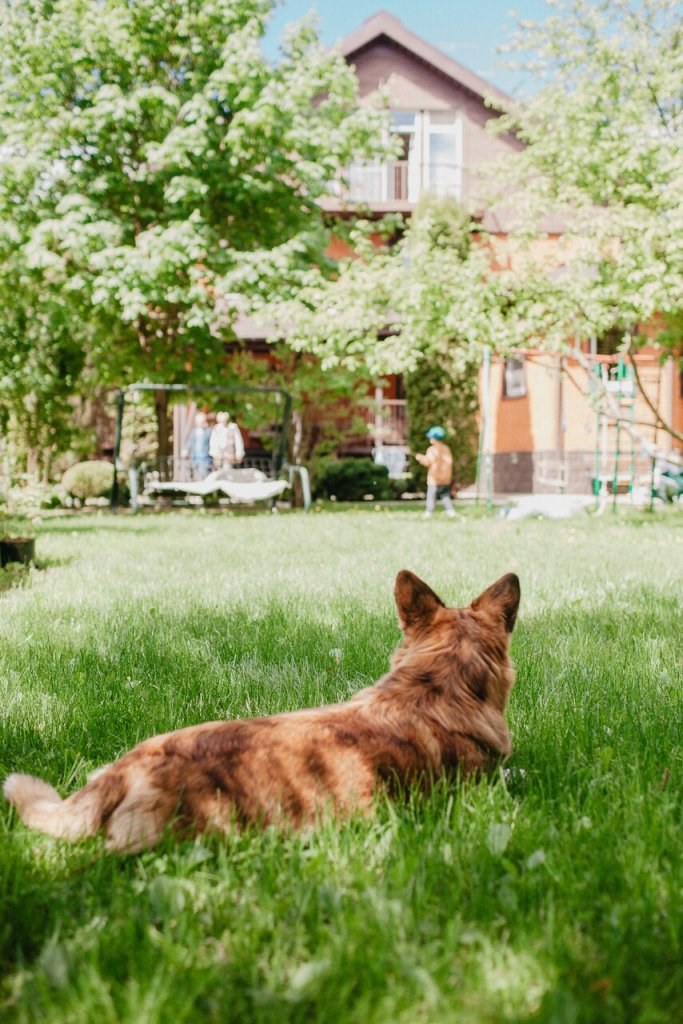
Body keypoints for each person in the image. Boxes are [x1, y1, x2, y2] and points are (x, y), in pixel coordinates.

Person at [414, 426, 457, 519]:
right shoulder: (446, 449)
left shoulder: (432, 450)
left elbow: (428, 462)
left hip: (434, 479)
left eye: (431, 437)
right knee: (445, 495)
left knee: (431, 496)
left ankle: (429, 511)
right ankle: (450, 511)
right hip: (445, 479)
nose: (430, 439)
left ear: (434, 438)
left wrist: (420, 458)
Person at [185, 411, 212, 479]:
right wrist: (186, 450)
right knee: (196, 475)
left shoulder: (208, 431)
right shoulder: (194, 431)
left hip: (205, 458)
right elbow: (190, 442)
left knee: (203, 475)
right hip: (195, 457)